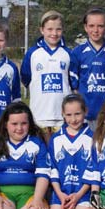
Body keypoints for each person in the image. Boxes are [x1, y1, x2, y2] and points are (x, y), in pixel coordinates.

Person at [21, 10, 73, 142]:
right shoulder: (32, 53)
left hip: (62, 115)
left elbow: (72, 83)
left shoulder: (68, 53)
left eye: (58, 29)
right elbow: (26, 78)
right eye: (49, 29)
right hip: (39, 114)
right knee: (40, 156)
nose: (54, 33)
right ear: (42, 30)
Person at [48, 94, 94, 209]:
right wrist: (59, 194)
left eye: (78, 114)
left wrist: (79, 195)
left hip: (83, 193)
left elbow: (93, 170)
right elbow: (53, 169)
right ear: (62, 114)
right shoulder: (55, 139)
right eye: (68, 115)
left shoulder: (93, 138)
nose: (73, 119)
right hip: (61, 192)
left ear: (85, 112)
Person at [70, 7, 105, 131]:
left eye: (100, 26)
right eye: (91, 26)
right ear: (85, 27)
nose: (95, 30)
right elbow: (74, 87)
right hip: (85, 115)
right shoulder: (77, 52)